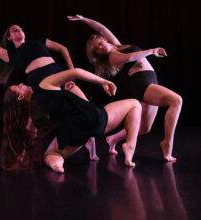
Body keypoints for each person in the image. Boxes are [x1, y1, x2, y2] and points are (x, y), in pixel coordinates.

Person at [0, 18, 100, 167]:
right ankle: (24, 152)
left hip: (60, 77)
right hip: (40, 85)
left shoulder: (38, 41)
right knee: (32, 122)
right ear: (9, 38)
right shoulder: (11, 54)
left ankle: (92, 150)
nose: (19, 30)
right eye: (14, 30)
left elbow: (63, 49)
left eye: (20, 28)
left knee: (87, 107)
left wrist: (71, 72)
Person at [68, 15, 183, 162]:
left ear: (103, 39)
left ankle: (112, 139)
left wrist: (83, 19)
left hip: (149, 82)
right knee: (176, 100)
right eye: (96, 49)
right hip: (141, 85)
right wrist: (151, 51)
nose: (100, 48)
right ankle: (167, 143)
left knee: (144, 128)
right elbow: (130, 58)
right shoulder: (113, 57)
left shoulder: (118, 45)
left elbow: (102, 28)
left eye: (99, 43)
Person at [7, 67, 142, 173]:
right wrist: (103, 81)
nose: (20, 83)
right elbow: (76, 72)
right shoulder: (43, 85)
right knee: (135, 104)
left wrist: (22, 154)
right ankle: (130, 145)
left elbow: (31, 135)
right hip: (94, 121)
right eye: (18, 87)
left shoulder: (34, 116)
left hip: (73, 136)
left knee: (50, 153)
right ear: (20, 97)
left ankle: (57, 163)